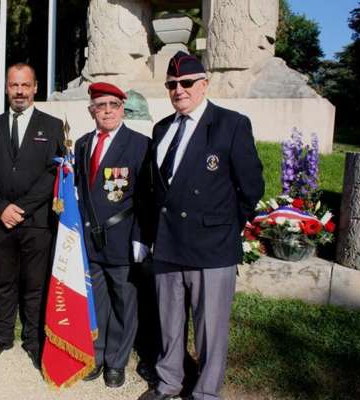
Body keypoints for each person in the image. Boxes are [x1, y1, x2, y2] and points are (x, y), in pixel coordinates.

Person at [137, 52, 264, 400]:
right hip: (168, 245)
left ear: (204, 84)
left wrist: (224, 227)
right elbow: (157, 189)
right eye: (172, 84)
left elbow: (251, 187)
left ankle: (206, 393)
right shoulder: (162, 128)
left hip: (212, 248)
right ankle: (168, 383)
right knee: (169, 325)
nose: (179, 90)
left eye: (187, 83)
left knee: (210, 331)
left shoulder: (231, 124)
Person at [0, 63, 65, 369]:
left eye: (25, 85)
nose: (19, 91)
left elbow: (54, 172)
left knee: (34, 285)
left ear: (35, 87)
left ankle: (33, 340)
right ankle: (2, 338)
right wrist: (1, 208)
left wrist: (22, 208)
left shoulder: (53, 126)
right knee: (3, 282)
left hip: (36, 222)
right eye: (14, 85)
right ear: (6, 88)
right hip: (0, 223)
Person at [74, 82, 151, 388]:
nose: (106, 111)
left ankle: (116, 362)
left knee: (123, 302)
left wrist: (141, 237)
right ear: (91, 110)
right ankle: (96, 354)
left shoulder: (139, 144)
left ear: (123, 108)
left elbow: (146, 196)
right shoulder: (80, 144)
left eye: (113, 105)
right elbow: (79, 190)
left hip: (122, 238)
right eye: (100, 106)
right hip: (91, 240)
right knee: (97, 302)